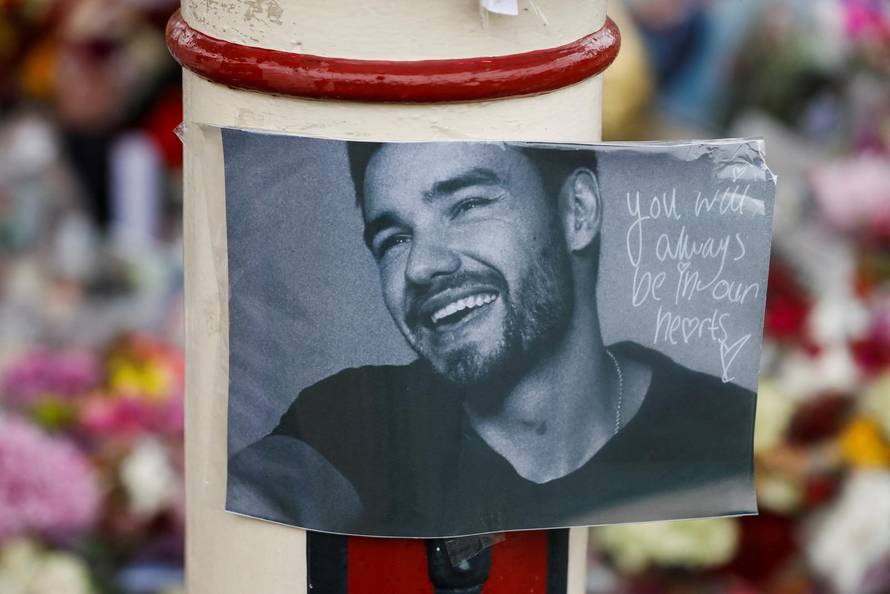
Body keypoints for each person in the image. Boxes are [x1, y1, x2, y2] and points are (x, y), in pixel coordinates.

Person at [227, 141, 757, 537]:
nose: (421, 264)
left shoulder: (725, 434)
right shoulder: (360, 415)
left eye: (467, 205)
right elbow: (262, 493)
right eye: (394, 239)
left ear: (578, 212)